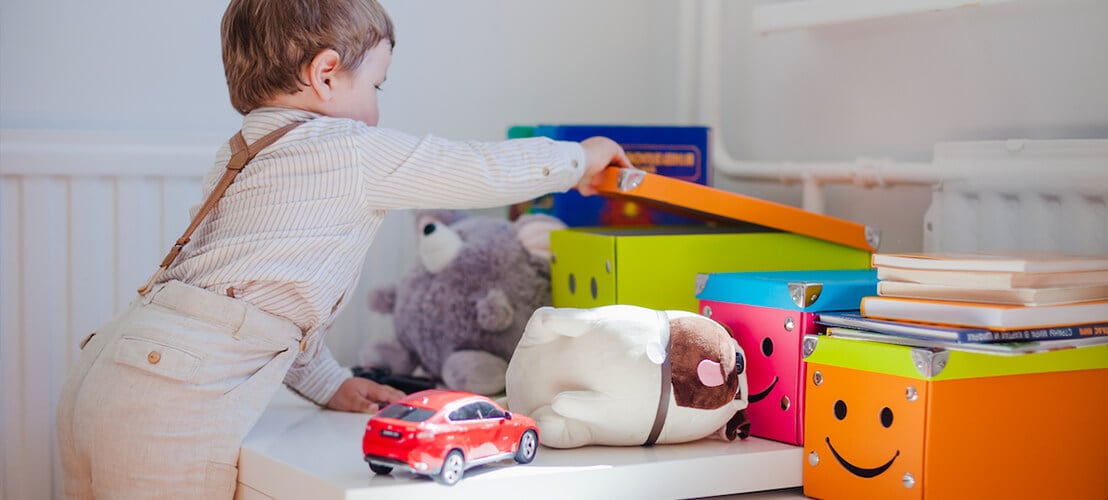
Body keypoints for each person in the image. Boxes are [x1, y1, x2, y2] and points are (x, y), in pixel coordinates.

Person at [54, 0, 633, 497]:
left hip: (106, 374)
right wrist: (577, 160)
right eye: (376, 85)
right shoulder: (348, 148)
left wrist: (330, 383)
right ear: (327, 74)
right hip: (170, 404)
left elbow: (265, 308)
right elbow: (468, 167)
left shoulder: (242, 151)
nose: (378, 107)